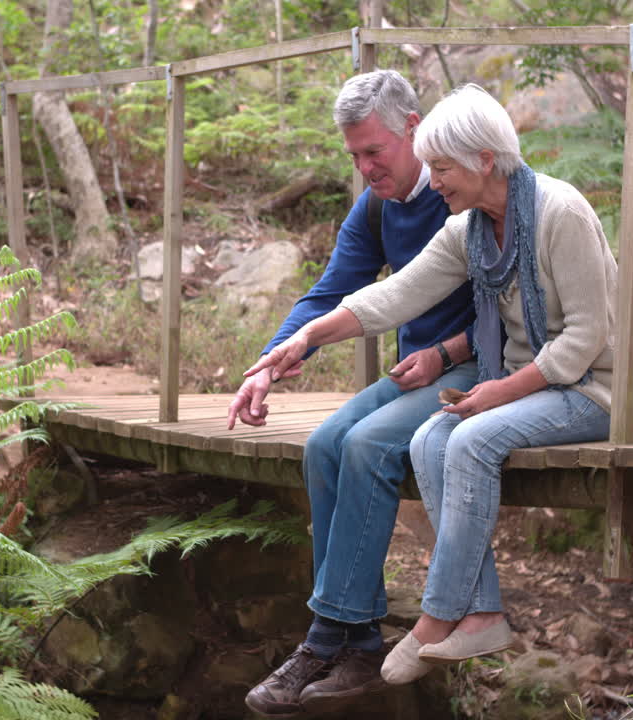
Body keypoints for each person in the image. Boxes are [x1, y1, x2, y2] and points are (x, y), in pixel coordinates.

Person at [245, 83, 633, 687]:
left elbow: (588, 338)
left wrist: (499, 390)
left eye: (442, 168)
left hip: (597, 387)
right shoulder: (470, 230)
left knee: (468, 438)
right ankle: (482, 612)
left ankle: (437, 618)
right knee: (430, 438)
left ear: (485, 159)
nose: (434, 183)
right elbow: (394, 294)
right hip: (535, 383)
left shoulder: (559, 213)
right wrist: (305, 338)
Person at [227, 70, 479, 717]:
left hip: (480, 369)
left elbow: (515, 310)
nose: (366, 167)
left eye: (375, 151)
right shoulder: (375, 205)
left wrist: (447, 352)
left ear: (414, 131)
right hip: (412, 374)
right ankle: (361, 641)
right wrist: (266, 364)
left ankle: (321, 640)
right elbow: (331, 290)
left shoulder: (468, 192)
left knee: (367, 444)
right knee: (323, 446)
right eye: (355, 156)